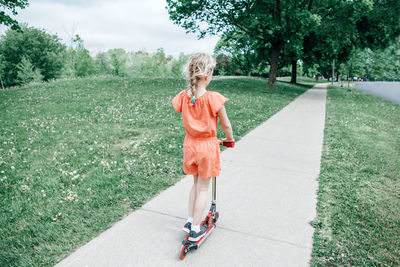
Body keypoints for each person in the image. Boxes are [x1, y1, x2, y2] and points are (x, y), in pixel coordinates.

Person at [172, 53, 234, 242]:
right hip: (207, 147)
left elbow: (178, 107)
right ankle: (196, 229)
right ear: (207, 74)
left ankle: (190, 220)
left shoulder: (184, 97)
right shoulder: (213, 98)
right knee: (203, 189)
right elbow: (226, 125)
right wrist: (229, 139)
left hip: (190, 145)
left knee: (195, 185)